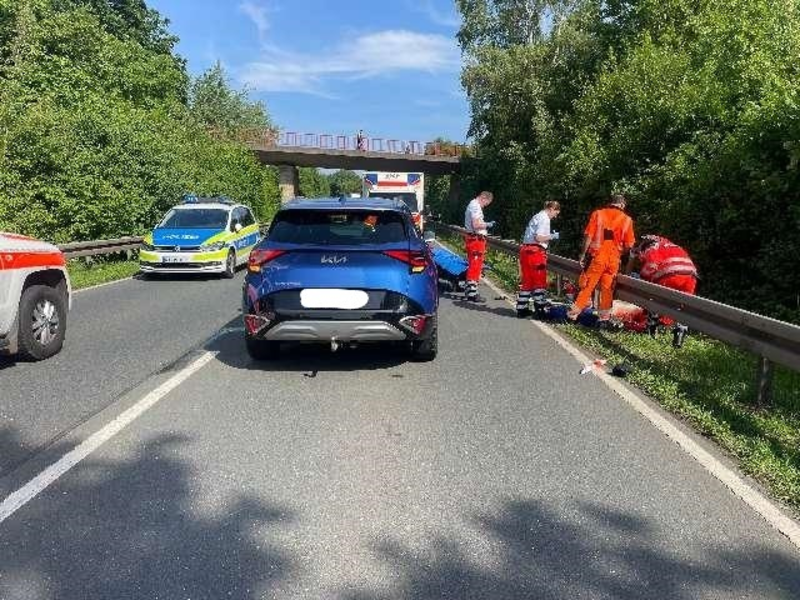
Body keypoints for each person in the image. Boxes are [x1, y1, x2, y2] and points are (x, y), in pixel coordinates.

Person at [567, 193, 636, 326]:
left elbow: (589, 236)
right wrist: (619, 252)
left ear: (611, 202)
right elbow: (629, 245)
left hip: (597, 258)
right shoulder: (627, 220)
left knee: (587, 286)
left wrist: (582, 254)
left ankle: (572, 315)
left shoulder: (598, 214)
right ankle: (603, 320)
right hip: (613, 260)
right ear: (622, 205)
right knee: (607, 289)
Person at [627, 234, 698, 347]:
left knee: (653, 296)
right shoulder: (673, 246)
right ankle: (679, 334)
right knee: (683, 307)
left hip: (670, 275)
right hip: (691, 275)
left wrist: (643, 275)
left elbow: (651, 267)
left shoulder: (651, 248)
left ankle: (651, 328)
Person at [517, 200, 561, 318]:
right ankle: (540, 310)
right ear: (551, 209)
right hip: (535, 252)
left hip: (525, 250)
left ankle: (521, 309)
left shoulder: (537, 216)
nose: (555, 216)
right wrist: (552, 236)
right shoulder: (544, 218)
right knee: (539, 281)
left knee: (527, 281)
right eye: (555, 213)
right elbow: (539, 237)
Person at [463, 191, 495, 303]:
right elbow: (476, 225)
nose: (485, 206)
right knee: (475, 266)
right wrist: (487, 224)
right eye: (486, 204)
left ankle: (469, 290)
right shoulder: (476, 206)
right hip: (476, 239)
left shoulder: (472, 204)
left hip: (473, 238)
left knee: (474, 265)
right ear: (484, 198)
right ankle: (472, 294)